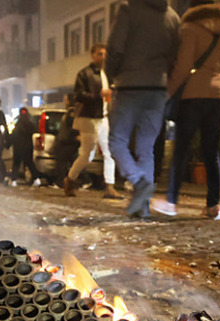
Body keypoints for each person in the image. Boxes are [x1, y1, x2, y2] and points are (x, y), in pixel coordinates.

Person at [152, 0, 220, 220]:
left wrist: (167, 93)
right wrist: (218, 82)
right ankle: (213, 205)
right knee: (211, 150)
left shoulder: (190, 29)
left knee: (181, 147)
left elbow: (183, 66)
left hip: (193, 95)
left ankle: (171, 201)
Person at [106, 0, 181, 218]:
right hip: (158, 86)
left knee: (117, 141)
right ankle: (143, 206)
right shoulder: (172, 17)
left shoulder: (129, 9)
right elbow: (174, 55)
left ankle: (139, 182)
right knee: (146, 148)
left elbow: (115, 47)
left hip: (130, 84)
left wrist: (112, 74)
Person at [63, 44, 118, 199]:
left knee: (109, 152)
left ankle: (110, 186)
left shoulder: (106, 74)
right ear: (92, 55)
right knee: (87, 154)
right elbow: (78, 95)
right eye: (100, 54)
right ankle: (70, 179)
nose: (103, 57)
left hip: (103, 117)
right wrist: (97, 95)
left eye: (105, 54)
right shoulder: (84, 74)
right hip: (88, 118)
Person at [10, 107, 41, 185]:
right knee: (30, 163)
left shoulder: (18, 124)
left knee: (16, 163)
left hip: (18, 147)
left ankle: (14, 180)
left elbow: (14, 135)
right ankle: (36, 179)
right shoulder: (30, 124)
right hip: (28, 147)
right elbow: (35, 131)